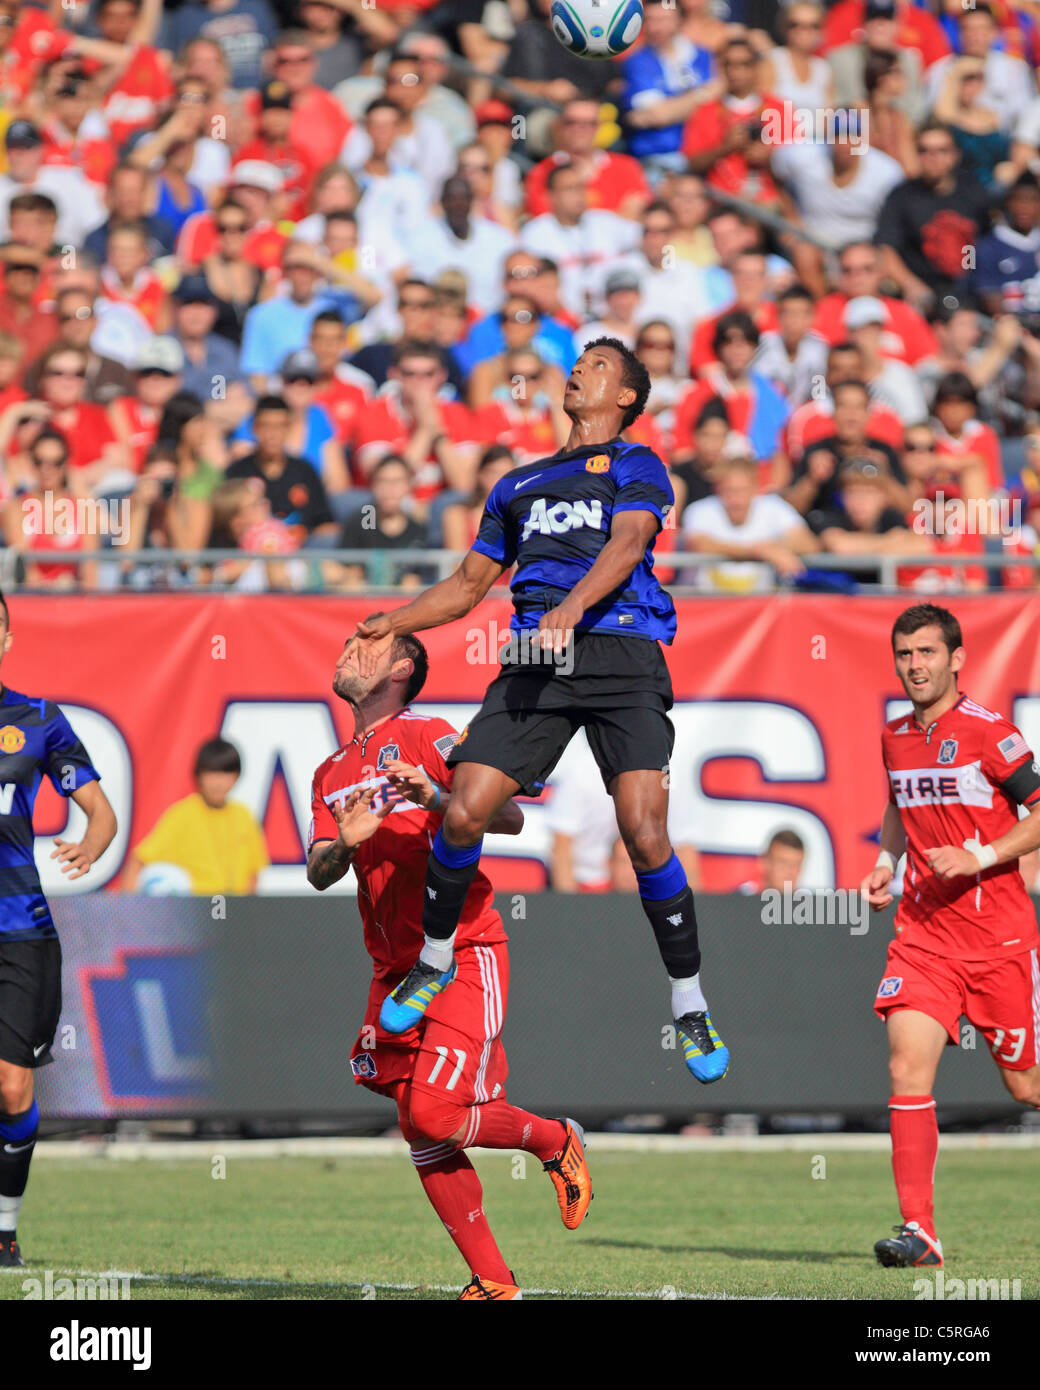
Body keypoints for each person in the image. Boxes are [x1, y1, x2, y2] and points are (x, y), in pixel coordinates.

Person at [353, 338, 731, 1087]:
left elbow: (629, 544)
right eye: (579, 360)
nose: (578, 369)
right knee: (463, 812)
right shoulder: (518, 483)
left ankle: (689, 1003)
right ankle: (433, 962)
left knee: (645, 833)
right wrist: (390, 622)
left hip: (620, 648)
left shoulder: (637, 463)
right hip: (538, 657)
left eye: (596, 364)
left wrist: (573, 606)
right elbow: (466, 587)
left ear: (625, 395)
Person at [307, 631, 592, 1300]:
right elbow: (319, 871)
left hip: (462, 949)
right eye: (347, 642)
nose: (346, 650)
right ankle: (494, 1282)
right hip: (393, 970)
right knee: (417, 1122)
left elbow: (513, 816)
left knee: (436, 1115)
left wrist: (438, 799)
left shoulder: (429, 735)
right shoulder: (329, 771)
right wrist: (343, 848)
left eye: (364, 645)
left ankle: (553, 1140)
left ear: (402, 668)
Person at [862, 604, 1040, 1269]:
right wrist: (886, 863)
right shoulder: (894, 736)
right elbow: (898, 807)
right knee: (906, 1066)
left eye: (928, 653)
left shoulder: (992, 734)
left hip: (999, 940)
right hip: (925, 936)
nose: (915, 666)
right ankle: (921, 1233)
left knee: (1025, 1088)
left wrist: (982, 857)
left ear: (957, 659)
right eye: (905, 655)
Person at [0, 590, 117, 1265]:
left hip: (19, 929)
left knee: (13, 1089)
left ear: (8, 639)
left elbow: (99, 810)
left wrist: (95, 841)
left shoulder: (39, 720)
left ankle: (6, 1230)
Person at [123, 737, 268, 894]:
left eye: (226, 773)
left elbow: (253, 875)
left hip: (235, 912)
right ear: (198, 775)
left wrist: (249, 913)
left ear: (237, 776)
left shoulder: (244, 816)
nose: (218, 782)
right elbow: (138, 861)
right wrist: (130, 910)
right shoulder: (182, 814)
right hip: (194, 911)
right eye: (211, 773)